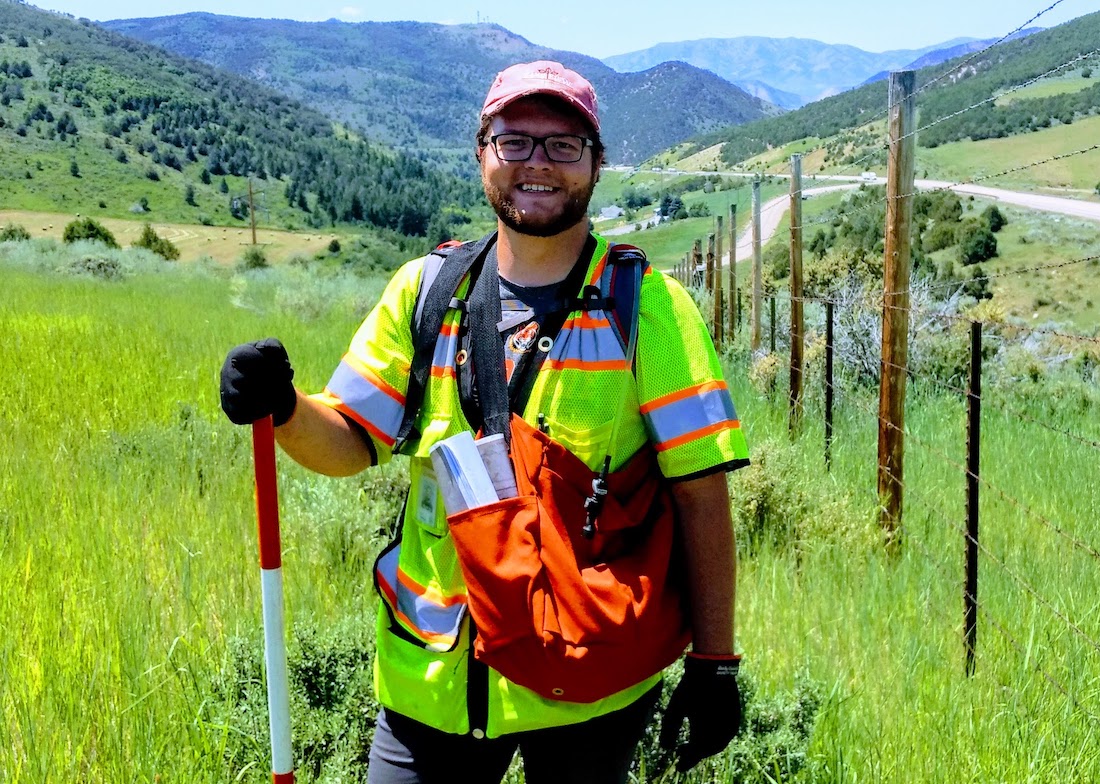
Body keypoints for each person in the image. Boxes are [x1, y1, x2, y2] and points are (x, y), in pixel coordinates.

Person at [219, 60, 750, 784]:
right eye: (515, 141)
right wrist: (283, 409)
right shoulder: (425, 290)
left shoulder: (649, 307)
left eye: (564, 145)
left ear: (596, 164)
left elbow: (699, 491)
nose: (538, 163)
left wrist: (715, 662)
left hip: (586, 683)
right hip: (429, 679)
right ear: (481, 154)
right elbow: (349, 439)